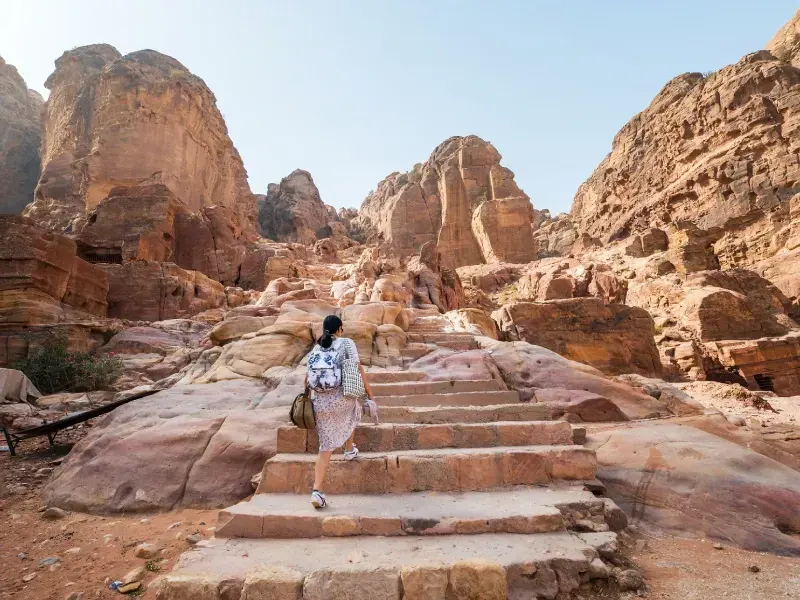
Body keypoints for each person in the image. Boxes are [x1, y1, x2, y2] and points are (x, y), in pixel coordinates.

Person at [305, 315, 374, 509]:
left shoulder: (317, 347)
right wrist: (369, 394)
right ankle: (349, 450)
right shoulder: (347, 343)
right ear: (340, 329)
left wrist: (307, 397)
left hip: (320, 402)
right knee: (355, 410)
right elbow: (358, 369)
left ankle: (316, 492)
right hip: (342, 398)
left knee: (325, 447)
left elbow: (307, 377)